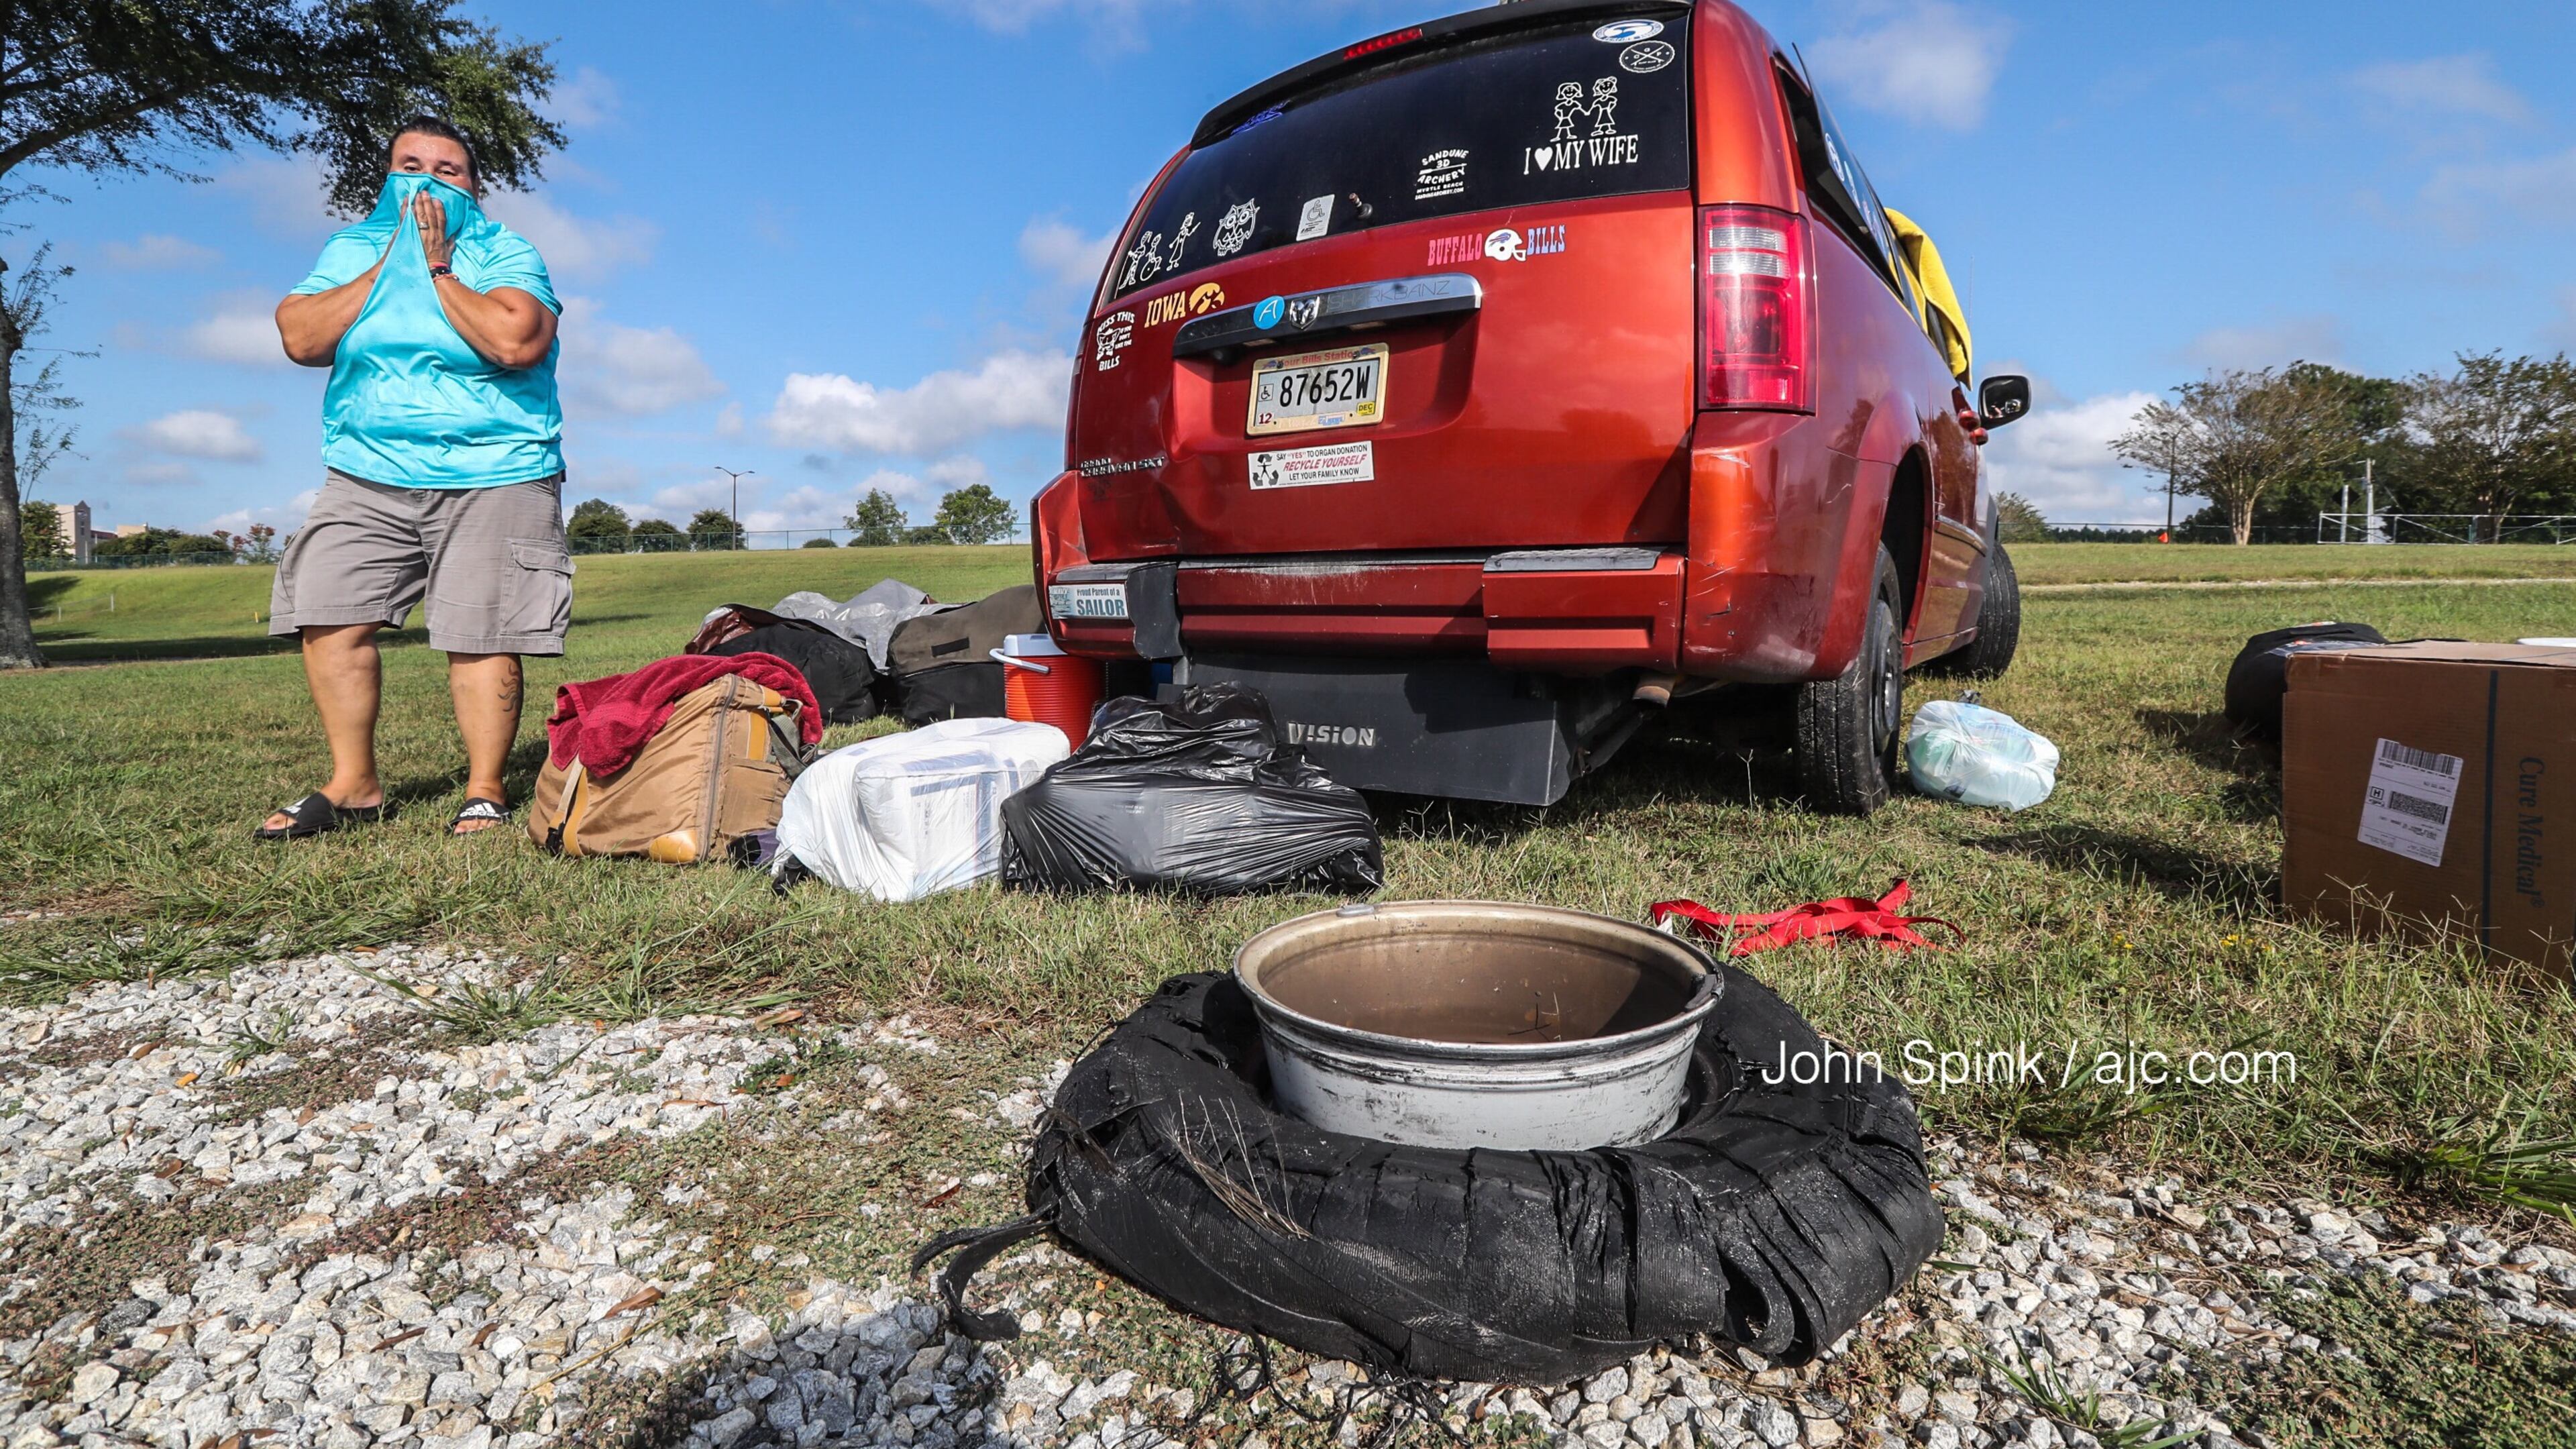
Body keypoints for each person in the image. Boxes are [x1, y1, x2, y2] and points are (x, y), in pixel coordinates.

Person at [259, 116, 568, 839]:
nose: (427, 181)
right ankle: (353, 785)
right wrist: (389, 263)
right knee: (328, 612)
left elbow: (516, 339)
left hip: (496, 469)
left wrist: (435, 267)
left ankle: (485, 789)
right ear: (387, 178)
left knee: (481, 631)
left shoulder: (504, 250)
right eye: (410, 166)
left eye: (447, 170)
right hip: (365, 471)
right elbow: (301, 336)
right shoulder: (352, 249)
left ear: (474, 188)